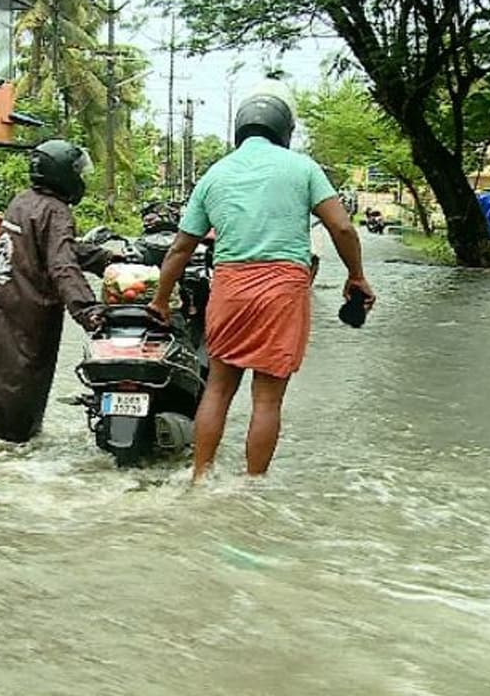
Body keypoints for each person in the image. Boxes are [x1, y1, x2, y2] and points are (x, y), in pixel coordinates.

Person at [147, 80, 375, 482]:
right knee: (267, 399)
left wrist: (161, 301)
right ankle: (252, 488)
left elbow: (180, 248)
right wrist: (356, 276)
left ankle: (201, 478)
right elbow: (342, 229)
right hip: (283, 291)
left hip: (230, 288)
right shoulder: (303, 168)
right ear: (283, 130)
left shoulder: (215, 174)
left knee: (217, 388)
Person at [0, 139, 108, 447]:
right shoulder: (57, 211)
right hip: (29, 307)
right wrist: (88, 311)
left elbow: (49, 248)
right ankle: (21, 446)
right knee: (25, 378)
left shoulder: (21, 201)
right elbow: (61, 264)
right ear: (64, 174)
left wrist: (102, 259)